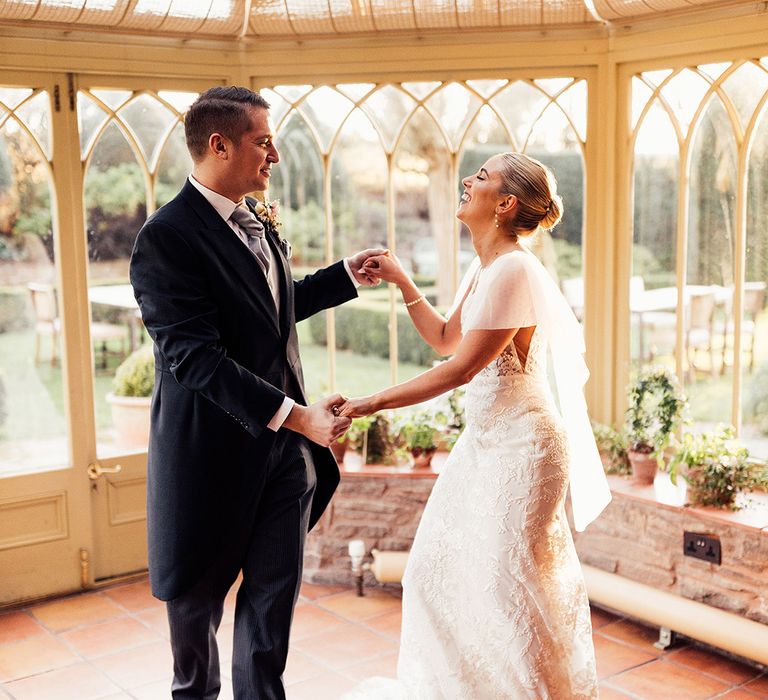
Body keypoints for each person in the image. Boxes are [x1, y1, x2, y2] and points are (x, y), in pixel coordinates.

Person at [129, 86, 385, 700]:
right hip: (208, 460)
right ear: (219, 145)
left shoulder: (260, 224)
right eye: (263, 142)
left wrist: (344, 276)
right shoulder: (166, 239)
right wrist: (299, 418)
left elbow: (268, 312)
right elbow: (195, 358)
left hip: (283, 463)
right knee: (195, 620)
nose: (275, 156)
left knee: (271, 618)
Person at [339, 152, 612, 698]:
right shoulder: (485, 266)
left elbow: (461, 368)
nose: (468, 180)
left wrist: (370, 403)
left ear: (506, 204)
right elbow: (445, 337)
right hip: (484, 443)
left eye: (481, 177)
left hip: (525, 449)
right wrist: (400, 279)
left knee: (506, 590)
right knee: (433, 574)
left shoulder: (515, 268)